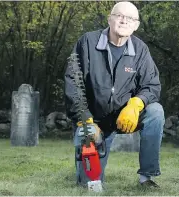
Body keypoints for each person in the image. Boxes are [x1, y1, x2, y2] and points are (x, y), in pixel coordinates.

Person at [64, 1, 165, 188]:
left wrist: (136, 104)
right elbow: (73, 83)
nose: (124, 21)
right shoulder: (87, 42)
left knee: (156, 112)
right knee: (90, 185)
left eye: (130, 18)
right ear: (109, 19)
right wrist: (85, 119)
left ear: (136, 25)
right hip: (92, 121)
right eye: (119, 15)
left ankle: (146, 177)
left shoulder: (141, 49)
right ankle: (90, 177)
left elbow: (152, 85)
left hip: (126, 117)